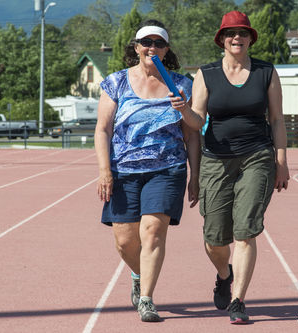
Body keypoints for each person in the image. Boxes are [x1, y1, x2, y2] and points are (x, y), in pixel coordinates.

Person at [170, 10, 290, 324]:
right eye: (230, 34)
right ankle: (225, 274)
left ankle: (238, 300)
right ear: (222, 40)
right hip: (215, 160)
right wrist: (184, 110)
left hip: (257, 156)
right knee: (214, 238)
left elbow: (276, 120)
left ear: (251, 38)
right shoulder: (206, 74)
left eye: (242, 33)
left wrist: (281, 161)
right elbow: (196, 122)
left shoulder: (266, 72)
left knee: (245, 231)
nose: (237, 38)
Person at [94, 19, 200, 322]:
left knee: (152, 232)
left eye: (158, 43)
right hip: (123, 170)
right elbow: (102, 130)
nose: (151, 48)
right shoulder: (116, 82)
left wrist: (195, 174)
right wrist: (105, 171)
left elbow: (194, 131)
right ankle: (138, 274)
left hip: (167, 168)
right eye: (146, 43)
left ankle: (146, 299)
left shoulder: (181, 84)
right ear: (136, 47)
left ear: (166, 50)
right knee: (125, 241)